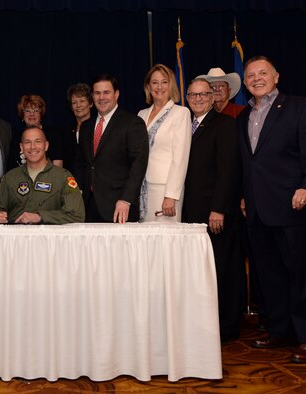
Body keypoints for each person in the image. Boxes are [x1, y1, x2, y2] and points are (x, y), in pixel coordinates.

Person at [239, 56, 306, 363]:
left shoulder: (301, 107)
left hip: (295, 206)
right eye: (251, 75)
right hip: (258, 211)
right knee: (271, 276)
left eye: (263, 73)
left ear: (276, 76)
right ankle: (281, 331)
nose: (256, 78)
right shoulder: (243, 117)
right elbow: (248, 163)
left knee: (303, 275)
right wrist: (243, 195)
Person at [182, 77, 244, 343]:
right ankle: (205, 323)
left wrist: (219, 209)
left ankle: (227, 327)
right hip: (191, 213)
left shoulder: (225, 124)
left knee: (223, 269)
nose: (198, 99)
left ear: (212, 97)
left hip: (215, 213)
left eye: (203, 94)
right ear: (186, 97)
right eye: (193, 95)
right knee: (201, 271)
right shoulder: (185, 125)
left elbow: (229, 171)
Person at [74, 74, 149, 223]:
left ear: (116, 94)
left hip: (119, 207)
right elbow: (81, 163)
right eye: (97, 93)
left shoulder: (133, 123)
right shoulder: (86, 127)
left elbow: (138, 165)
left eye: (106, 92)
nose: (101, 97)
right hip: (88, 207)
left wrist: (126, 200)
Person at [0, 126, 85, 224]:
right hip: (17, 238)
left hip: (49, 238)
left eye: (38, 141)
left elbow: (76, 215)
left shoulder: (62, 177)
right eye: (27, 142)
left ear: (46, 146)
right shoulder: (10, 177)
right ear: (21, 147)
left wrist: (40, 217)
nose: (32, 147)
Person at [137, 64, 191, 222]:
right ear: (148, 86)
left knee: (165, 241)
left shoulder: (181, 113)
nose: (159, 87)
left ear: (171, 85)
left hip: (165, 189)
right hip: (142, 188)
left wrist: (171, 195)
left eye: (164, 82)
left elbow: (180, 158)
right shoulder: (141, 114)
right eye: (154, 82)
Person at [11, 94, 63, 168]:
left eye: (36, 110)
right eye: (27, 110)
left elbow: (58, 166)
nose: (32, 114)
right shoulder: (16, 137)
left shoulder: (53, 134)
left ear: (41, 114)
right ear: (23, 114)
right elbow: (11, 167)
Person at [63, 83, 93, 175]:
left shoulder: (98, 127)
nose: (78, 105)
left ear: (91, 103)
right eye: (74, 102)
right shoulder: (65, 132)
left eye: (82, 101)